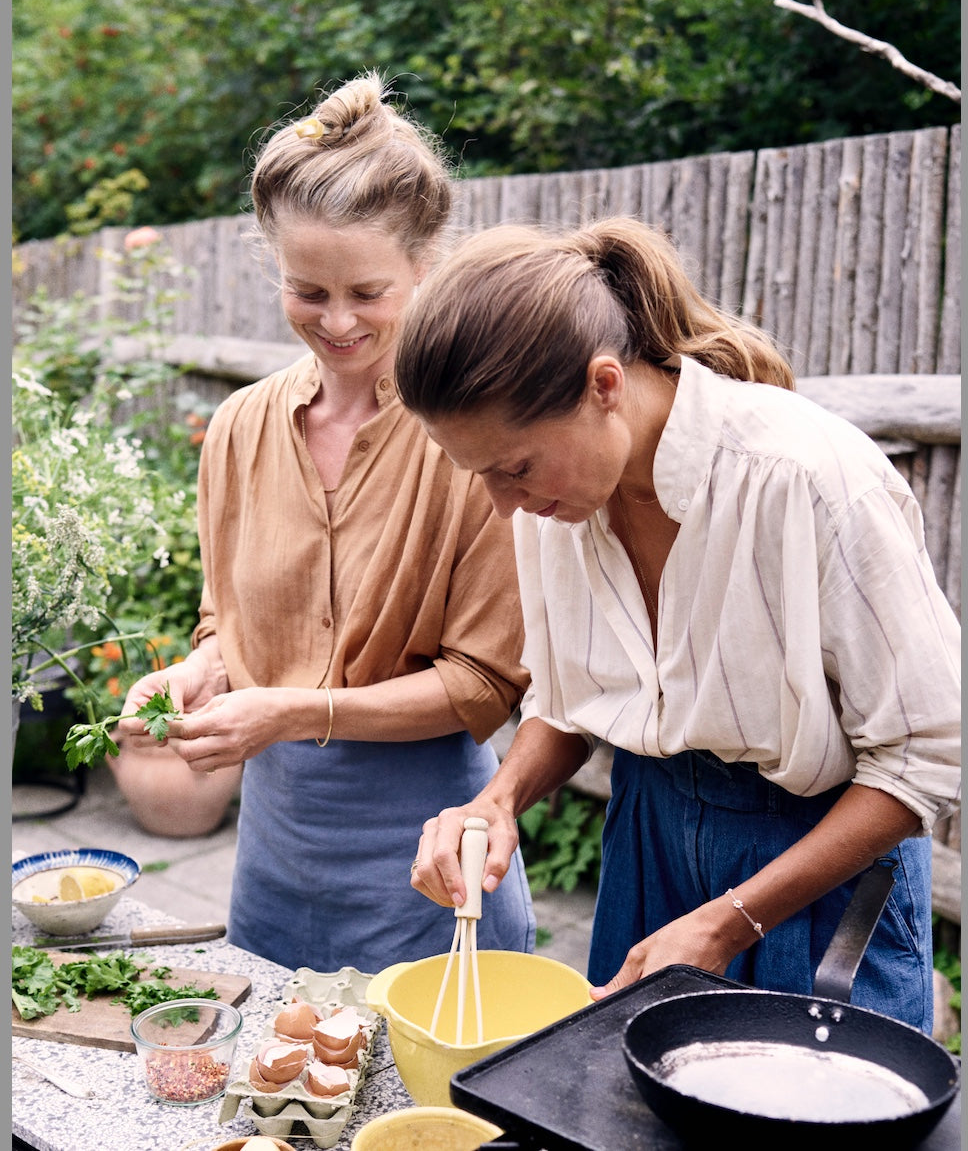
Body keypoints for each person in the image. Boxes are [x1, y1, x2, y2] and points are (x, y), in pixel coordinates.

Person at [395, 217, 960, 1032]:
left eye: (514, 467)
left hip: (818, 867)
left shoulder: (809, 480)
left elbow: (924, 759)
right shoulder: (552, 508)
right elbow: (569, 699)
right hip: (647, 845)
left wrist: (732, 920)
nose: (503, 504)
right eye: (480, 475)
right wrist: (499, 799)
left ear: (604, 385)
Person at [116, 74, 535, 973]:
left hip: (430, 853)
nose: (337, 321)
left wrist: (294, 712)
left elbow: (481, 688)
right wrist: (196, 673)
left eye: (367, 292)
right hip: (275, 851)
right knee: (274, 1093)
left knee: (431, 1102)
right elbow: (227, 618)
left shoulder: (471, 438)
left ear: (425, 267)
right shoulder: (239, 428)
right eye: (308, 292)